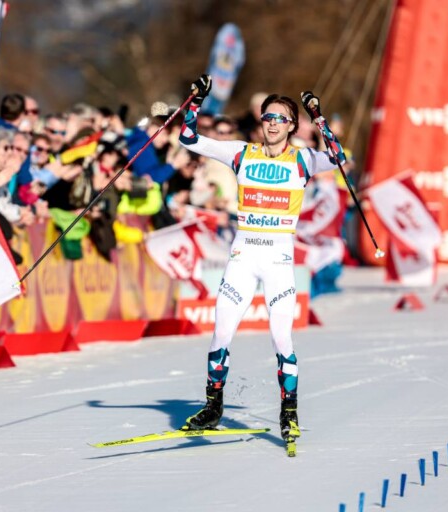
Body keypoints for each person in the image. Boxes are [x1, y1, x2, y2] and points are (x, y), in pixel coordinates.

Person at [179, 74, 347, 453]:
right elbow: (188, 139)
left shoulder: (303, 159)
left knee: (281, 336)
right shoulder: (241, 152)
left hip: (277, 260)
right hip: (243, 255)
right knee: (221, 332)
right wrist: (195, 102)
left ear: (291, 125)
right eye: (267, 117)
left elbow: (339, 157)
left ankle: (289, 413)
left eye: (280, 118)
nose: (272, 123)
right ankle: (213, 407)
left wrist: (319, 119)